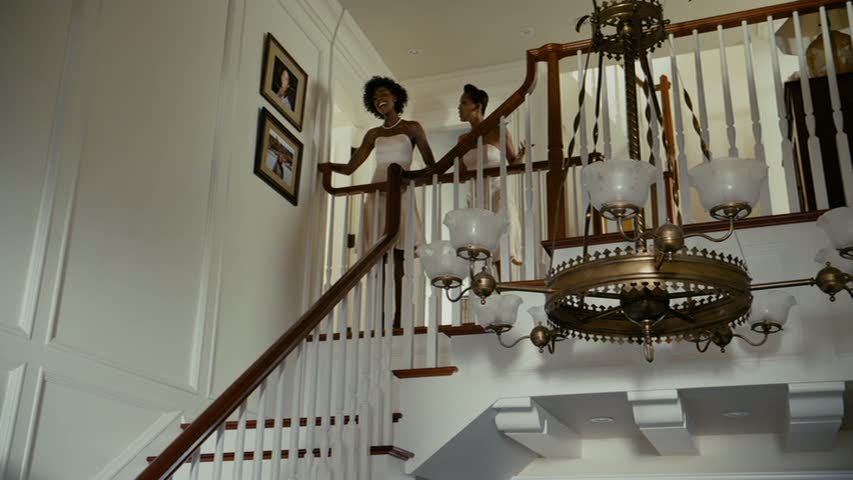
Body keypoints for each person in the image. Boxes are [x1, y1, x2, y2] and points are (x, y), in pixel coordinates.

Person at [325, 76, 436, 326]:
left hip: (402, 193)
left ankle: (397, 317)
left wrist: (410, 178)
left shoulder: (412, 127)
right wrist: (328, 167)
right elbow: (351, 167)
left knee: (397, 257)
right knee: (379, 256)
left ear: (395, 96)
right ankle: (380, 316)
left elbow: (432, 165)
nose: (379, 100)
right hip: (377, 194)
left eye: (383, 94)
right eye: (374, 98)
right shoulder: (373, 133)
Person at [457, 83, 525, 268]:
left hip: (497, 191)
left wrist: (522, 155)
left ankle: (502, 285)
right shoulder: (462, 140)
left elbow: (514, 164)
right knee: (480, 242)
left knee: (500, 236)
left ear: (478, 107)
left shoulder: (498, 130)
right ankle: (486, 283)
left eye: (464, 102)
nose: (459, 107)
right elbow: (462, 173)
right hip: (477, 194)